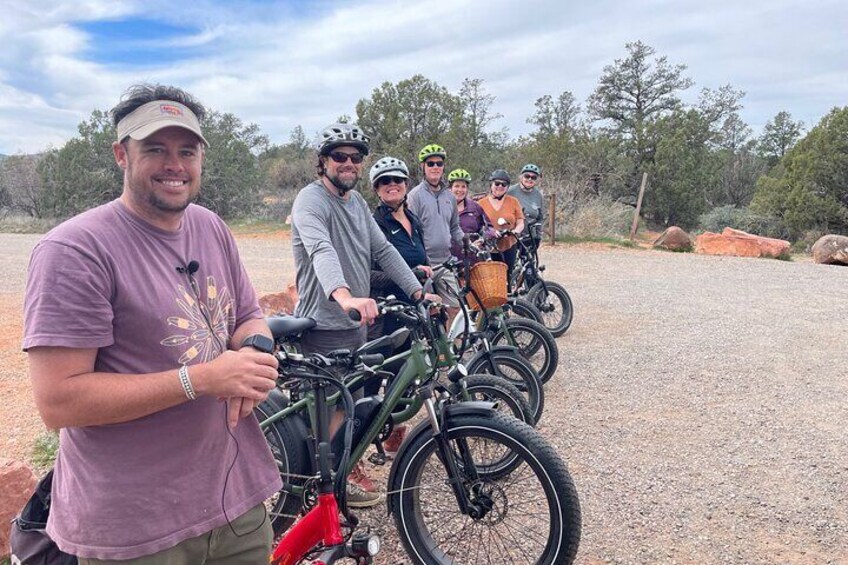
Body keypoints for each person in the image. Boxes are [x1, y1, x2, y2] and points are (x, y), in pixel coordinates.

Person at [23, 84, 281, 564]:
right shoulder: (75, 250)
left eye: (187, 151)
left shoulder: (210, 226)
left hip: (235, 503)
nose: (174, 165)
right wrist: (200, 379)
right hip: (133, 525)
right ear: (121, 154)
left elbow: (246, 316)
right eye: (155, 149)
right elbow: (59, 401)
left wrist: (257, 353)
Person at [290, 124, 424, 506]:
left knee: (353, 404)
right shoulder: (310, 201)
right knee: (331, 408)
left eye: (355, 158)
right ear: (323, 162)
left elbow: (383, 251)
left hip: (356, 324)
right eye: (339, 156)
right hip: (324, 321)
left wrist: (417, 291)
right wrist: (345, 296)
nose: (348, 164)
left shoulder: (358, 204)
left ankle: (341, 468)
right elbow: (320, 250)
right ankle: (324, 483)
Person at [406, 144, 464, 321]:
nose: (435, 167)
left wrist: (467, 243)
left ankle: (450, 348)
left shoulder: (450, 197)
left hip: (445, 262)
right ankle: (435, 348)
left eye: (439, 163)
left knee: (455, 307)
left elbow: (455, 228)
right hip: (426, 265)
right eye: (430, 163)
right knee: (432, 311)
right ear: (423, 167)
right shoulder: (414, 196)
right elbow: (409, 231)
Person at [478, 169, 526, 278]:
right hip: (488, 247)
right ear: (491, 184)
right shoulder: (481, 203)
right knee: (489, 278)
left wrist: (515, 231)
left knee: (506, 276)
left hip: (508, 245)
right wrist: (489, 232)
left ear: (507, 187)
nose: (500, 186)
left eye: (503, 184)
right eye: (497, 183)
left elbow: (520, 221)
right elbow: (477, 225)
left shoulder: (513, 202)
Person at [447, 168, 493, 265]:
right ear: (450, 188)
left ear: (467, 189)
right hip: (448, 261)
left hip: (471, 261)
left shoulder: (475, 208)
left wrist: (482, 240)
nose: (460, 190)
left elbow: (488, 229)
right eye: (457, 186)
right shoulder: (441, 207)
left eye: (463, 187)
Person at [507, 163, 545, 249]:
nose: (530, 179)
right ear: (521, 177)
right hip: (512, 236)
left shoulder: (538, 195)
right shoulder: (510, 191)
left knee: (529, 261)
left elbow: (540, 217)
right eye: (527, 176)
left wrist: (538, 236)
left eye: (533, 177)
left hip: (530, 237)